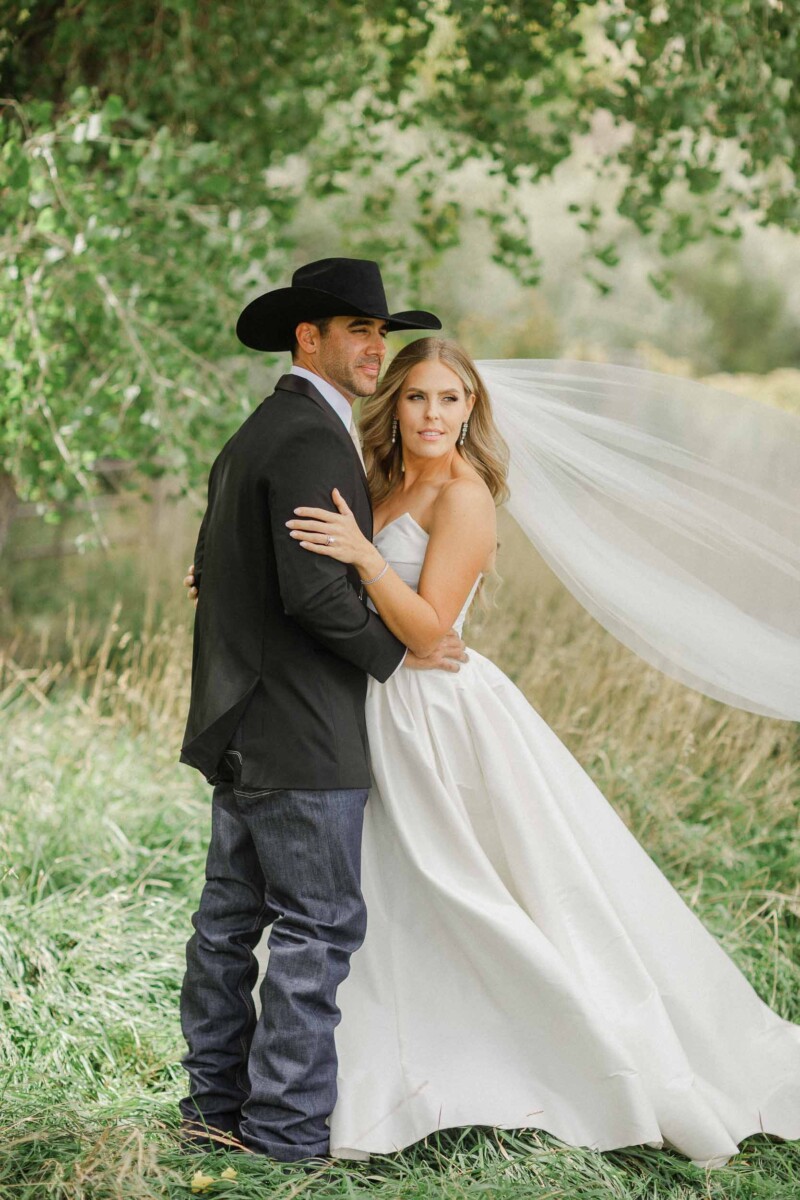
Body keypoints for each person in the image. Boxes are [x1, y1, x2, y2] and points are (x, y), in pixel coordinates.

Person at [272, 336, 800, 1167]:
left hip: (435, 713)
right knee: (381, 893)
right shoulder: (377, 481)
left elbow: (430, 632)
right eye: (416, 397)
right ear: (394, 406)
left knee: (474, 885)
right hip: (364, 704)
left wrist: (368, 559)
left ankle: (551, 1064)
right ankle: (381, 1078)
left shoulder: (465, 495)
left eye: (450, 399)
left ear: (471, 410)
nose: (433, 414)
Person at [177, 259, 469, 1162]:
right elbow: (312, 594)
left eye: (380, 331)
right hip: (301, 733)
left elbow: (216, 566)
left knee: (228, 928)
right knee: (316, 929)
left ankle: (212, 1113)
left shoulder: (259, 431)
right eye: (358, 330)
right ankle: (285, 1135)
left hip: (244, 724)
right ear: (308, 338)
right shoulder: (310, 435)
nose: (375, 347)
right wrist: (401, 652)